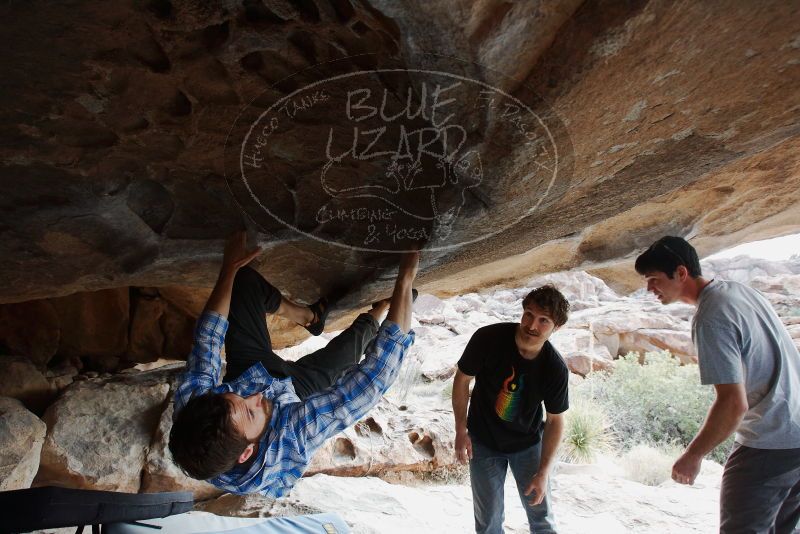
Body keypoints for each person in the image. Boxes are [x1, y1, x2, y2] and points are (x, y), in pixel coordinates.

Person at [168, 231, 419, 497]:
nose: (256, 398)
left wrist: (229, 267)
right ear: (248, 452)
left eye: (234, 399)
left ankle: (310, 316)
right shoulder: (293, 438)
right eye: (250, 412)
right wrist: (404, 279)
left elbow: (207, 340)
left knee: (241, 280)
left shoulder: (194, 411)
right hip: (294, 398)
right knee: (344, 356)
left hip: (249, 371)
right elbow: (371, 383)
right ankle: (376, 313)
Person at [635, 235, 800, 533]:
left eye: (654, 279)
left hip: (771, 441)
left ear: (681, 272)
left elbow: (733, 403)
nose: (649, 288)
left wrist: (693, 455)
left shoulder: (710, 317)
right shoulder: (739, 291)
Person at [452, 285, 570, 533]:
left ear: (556, 327)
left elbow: (555, 421)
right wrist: (460, 429)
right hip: (483, 441)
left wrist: (543, 472)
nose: (532, 325)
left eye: (543, 320)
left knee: (541, 518)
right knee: (488, 522)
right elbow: (462, 379)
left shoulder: (554, 367)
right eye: (528, 314)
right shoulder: (488, 338)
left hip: (527, 445)